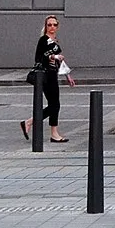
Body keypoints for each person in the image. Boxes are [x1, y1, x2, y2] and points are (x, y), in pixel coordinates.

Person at [21, 15, 70, 143]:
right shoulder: (43, 40)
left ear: (57, 27)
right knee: (54, 104)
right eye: (49, 25)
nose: (52, 27)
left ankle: (32, 122)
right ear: (46, 26)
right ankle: (49, 131)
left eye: (54, 25)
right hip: (45, 75)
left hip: (53, 74)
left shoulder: (55, 42)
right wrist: (53, 57)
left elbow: (60, 62)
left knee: (55, 104)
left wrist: (67, 75)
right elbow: (39, 57)